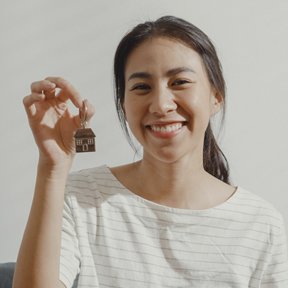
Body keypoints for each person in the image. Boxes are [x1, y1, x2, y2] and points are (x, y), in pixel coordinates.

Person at [13, 16, 288, 288]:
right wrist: (52, 167)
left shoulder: (262, 226)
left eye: (179, 82)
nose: (160, 105)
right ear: (123, 105)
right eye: (142, 87)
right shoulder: (80, 197)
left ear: (216, 96)